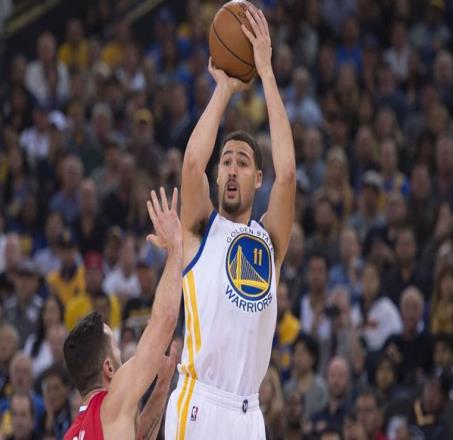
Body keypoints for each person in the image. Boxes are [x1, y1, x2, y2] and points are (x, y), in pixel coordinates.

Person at [165, 7, 295, 440]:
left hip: (249, 413)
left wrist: (266, 72)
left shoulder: (269, 240)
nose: (233, 169)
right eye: (226, 162)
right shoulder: (201, 228)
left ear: (257, 178)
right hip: (199, 402)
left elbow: (288, 173)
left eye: (242, 162)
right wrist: (224, 88)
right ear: (218, 176)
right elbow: (191, 164)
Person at [64, 187, 182, 440]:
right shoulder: (109, 407)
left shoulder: (74, 432)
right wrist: (175, 250)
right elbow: (165, 321)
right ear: (108, 367)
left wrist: (162, 384)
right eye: (116, 349)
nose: (122, 355)